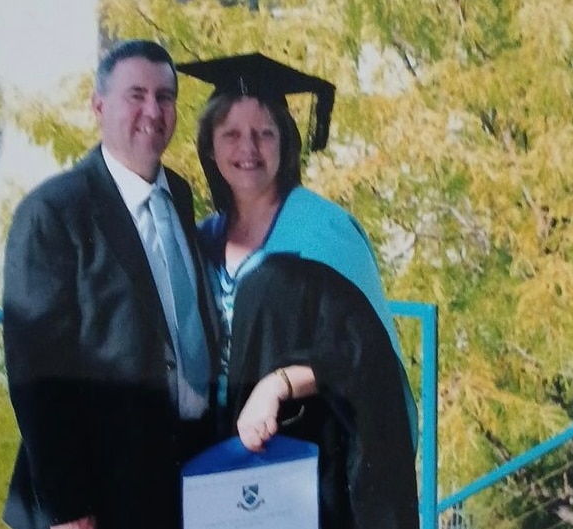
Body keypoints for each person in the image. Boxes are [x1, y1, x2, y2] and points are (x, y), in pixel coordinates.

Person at [177, 53, 420, 528]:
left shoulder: (325, 232)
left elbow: (362, 357)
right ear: (209, 147)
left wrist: (278, 384)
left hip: (308, 466)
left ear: (285, 144)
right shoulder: (200, 240)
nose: (248, 148)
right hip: (217, 467)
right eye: (231, 133)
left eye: (264, 133)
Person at [1, 39, 217, 529]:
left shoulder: (178, 195)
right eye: (135, 94)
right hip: (96, 494)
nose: (152, 110)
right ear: (99, 107)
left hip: (178, 476)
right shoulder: (54, 212)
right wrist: (68, 507)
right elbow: (37, 377)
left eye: (165, 97)